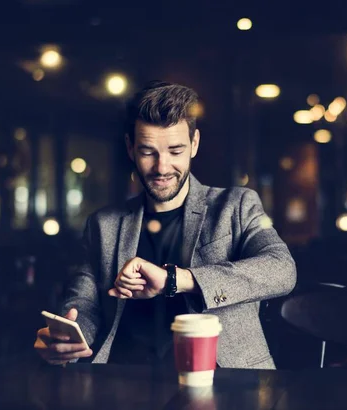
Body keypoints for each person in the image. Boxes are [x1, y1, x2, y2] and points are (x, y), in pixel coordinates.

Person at [34, 81, 297, 369]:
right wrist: (70, 337)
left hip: (224, 381)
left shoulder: (237, 205)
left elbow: (281, 269)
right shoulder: (102, 224)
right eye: (148, 152)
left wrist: (175, 279)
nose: (161, 167)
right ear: (130, 148)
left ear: (194, 144)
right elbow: (83, 301)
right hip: (126, 379)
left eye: (175, 150)